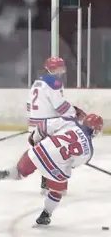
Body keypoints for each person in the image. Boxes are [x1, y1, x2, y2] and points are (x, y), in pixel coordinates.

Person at [0, 114, 103, 226]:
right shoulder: (89, 151)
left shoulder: (70, 122)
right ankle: (45, 215)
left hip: (39, 151)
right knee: (57, 192)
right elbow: (72, 165)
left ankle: (6, 173)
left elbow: (44, 127)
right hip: (55, 169)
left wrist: (34, 140)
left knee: (19, 172)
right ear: (96, 130)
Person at [26, 57, 86, 194]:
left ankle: (45, 185)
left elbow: (29, 105)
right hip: (49, 124)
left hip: (36, 124)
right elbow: (60, 106)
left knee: (45, 154)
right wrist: (74, 114)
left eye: (60, 68)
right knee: (54, 154)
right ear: (52, 69)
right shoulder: (54, 82)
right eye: (58, 68)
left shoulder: (37, 82)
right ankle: (52, 186)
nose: (60, 71)